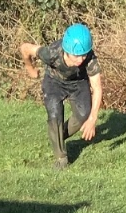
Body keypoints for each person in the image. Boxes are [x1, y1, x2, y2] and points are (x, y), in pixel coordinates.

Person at [20, 22, 103, 168]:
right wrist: (30, 68)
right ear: (67, 50)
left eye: (83, 55)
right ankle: (61, 157)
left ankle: (58, 136)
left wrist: (92, 119)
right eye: (76, 56)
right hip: (54, 82)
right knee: (55, 114)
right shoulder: (51, 53)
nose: (80, 60)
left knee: (84, 114)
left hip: (78, 82)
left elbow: (97, 88)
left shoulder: (89, 58)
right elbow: (24, 48)